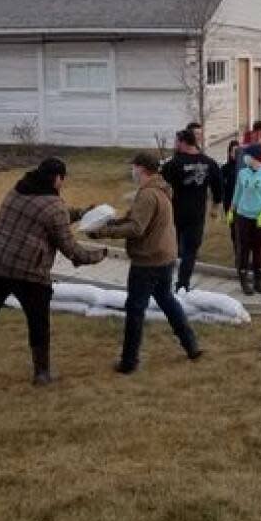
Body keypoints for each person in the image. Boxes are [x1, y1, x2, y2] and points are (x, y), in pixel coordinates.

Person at [0, 158, 107, 396]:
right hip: (28, 272)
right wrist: (99, 255)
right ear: (58, 179)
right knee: (38, 321)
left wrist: (80, 213)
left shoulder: (18, 189)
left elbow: (50, 215)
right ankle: (42, 374)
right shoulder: (53, 205)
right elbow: (71, 250)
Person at [89, 152, 201, 371]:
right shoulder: (160, 190)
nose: (132, 171)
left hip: (148, 260)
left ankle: (129, 362)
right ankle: (191, 345)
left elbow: (136, 228)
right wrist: (110, 222)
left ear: (142, 169)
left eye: (134, 167)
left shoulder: (148, 195)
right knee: (166, 299)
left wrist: (104, 232)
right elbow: (136, 219)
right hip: (164, 256)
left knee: (135, 308)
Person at [162, 128, 223, 292]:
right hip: (197, 213)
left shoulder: (174, 163)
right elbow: (218, 187)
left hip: (176, 212)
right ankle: (183, 285)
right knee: (190, 252)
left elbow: (161, 182)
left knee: (170, 249)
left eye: (177, 142)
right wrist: (215, 207)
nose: (175, 145)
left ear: (182, 142)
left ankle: (165, 282)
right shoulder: (209, 162)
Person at [229, 144, 261, 296]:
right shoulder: (243, 173)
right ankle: (243, 280)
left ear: (255, 157)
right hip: (243, 215)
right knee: (243, 248)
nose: (245, 157)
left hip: (260, 218)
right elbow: (238, 191)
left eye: (247, 155)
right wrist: (232, 208)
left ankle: (258, 281)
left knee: (257, 249)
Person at [220, 140, 241, 258]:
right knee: (233, 230)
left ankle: (243, 255)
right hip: (229, 206)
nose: (236, 154)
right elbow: (221, 189)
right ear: (229, 153)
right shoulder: (224, 169)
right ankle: (237, 254)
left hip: (243, 206)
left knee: (244, 232)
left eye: (239, 151)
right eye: (234, 151)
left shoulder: (244, 169)